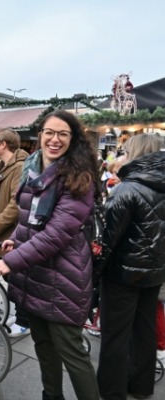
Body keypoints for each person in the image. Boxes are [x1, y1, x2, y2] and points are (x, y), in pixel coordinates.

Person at [0, 110, 100, 400]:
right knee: (44, 348)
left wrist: (10, 261)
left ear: (73, 139)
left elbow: (56, 235)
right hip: (34, 274)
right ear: (40, 135)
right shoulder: (33, 168)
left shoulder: (78, 176)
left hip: (63, 279)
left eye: (63, 133)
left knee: (72, 354)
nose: (55, 139)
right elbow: (28, 219)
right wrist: (14, 239)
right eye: (49, 132)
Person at [97, 134, 165, 400]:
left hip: (122, 274)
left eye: (125, 152)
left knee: (115, 335)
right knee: (144, 330)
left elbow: (107, 240)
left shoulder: (127, 189)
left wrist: (94, 273)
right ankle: (141, 386)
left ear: (136, 154)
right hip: (154, 272)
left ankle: (111, 391)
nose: (121, 157)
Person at [0, 128, 30, 337]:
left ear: (4, 144)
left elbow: (16, 203)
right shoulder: (3, 166)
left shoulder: (19, 167)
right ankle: (22, 316)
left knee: (17, 277)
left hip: (13, 233)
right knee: (11, 276)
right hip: (5, 232)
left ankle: (24, 321)